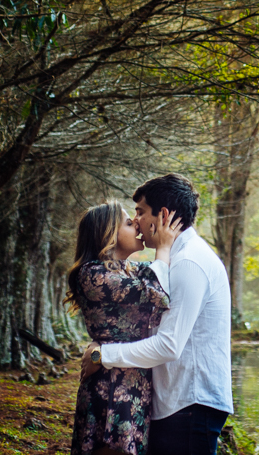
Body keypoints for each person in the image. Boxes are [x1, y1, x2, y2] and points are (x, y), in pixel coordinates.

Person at [81, 174, 232, 455]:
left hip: (189, 404)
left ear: (162, 215)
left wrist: (103, 355)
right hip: (177, 404)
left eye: (139, 212)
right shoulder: (175, 259)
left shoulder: (189, 262)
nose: (136, 221)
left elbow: (169, 344)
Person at [65, 199, 181, 455]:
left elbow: (161, 279)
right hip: (110, 386)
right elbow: (158, 293)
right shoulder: (92, 274)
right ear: (109, 234)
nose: (137, 224)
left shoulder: (131, 270)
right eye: (129, 223)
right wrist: (162, 248)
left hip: (133, 383)